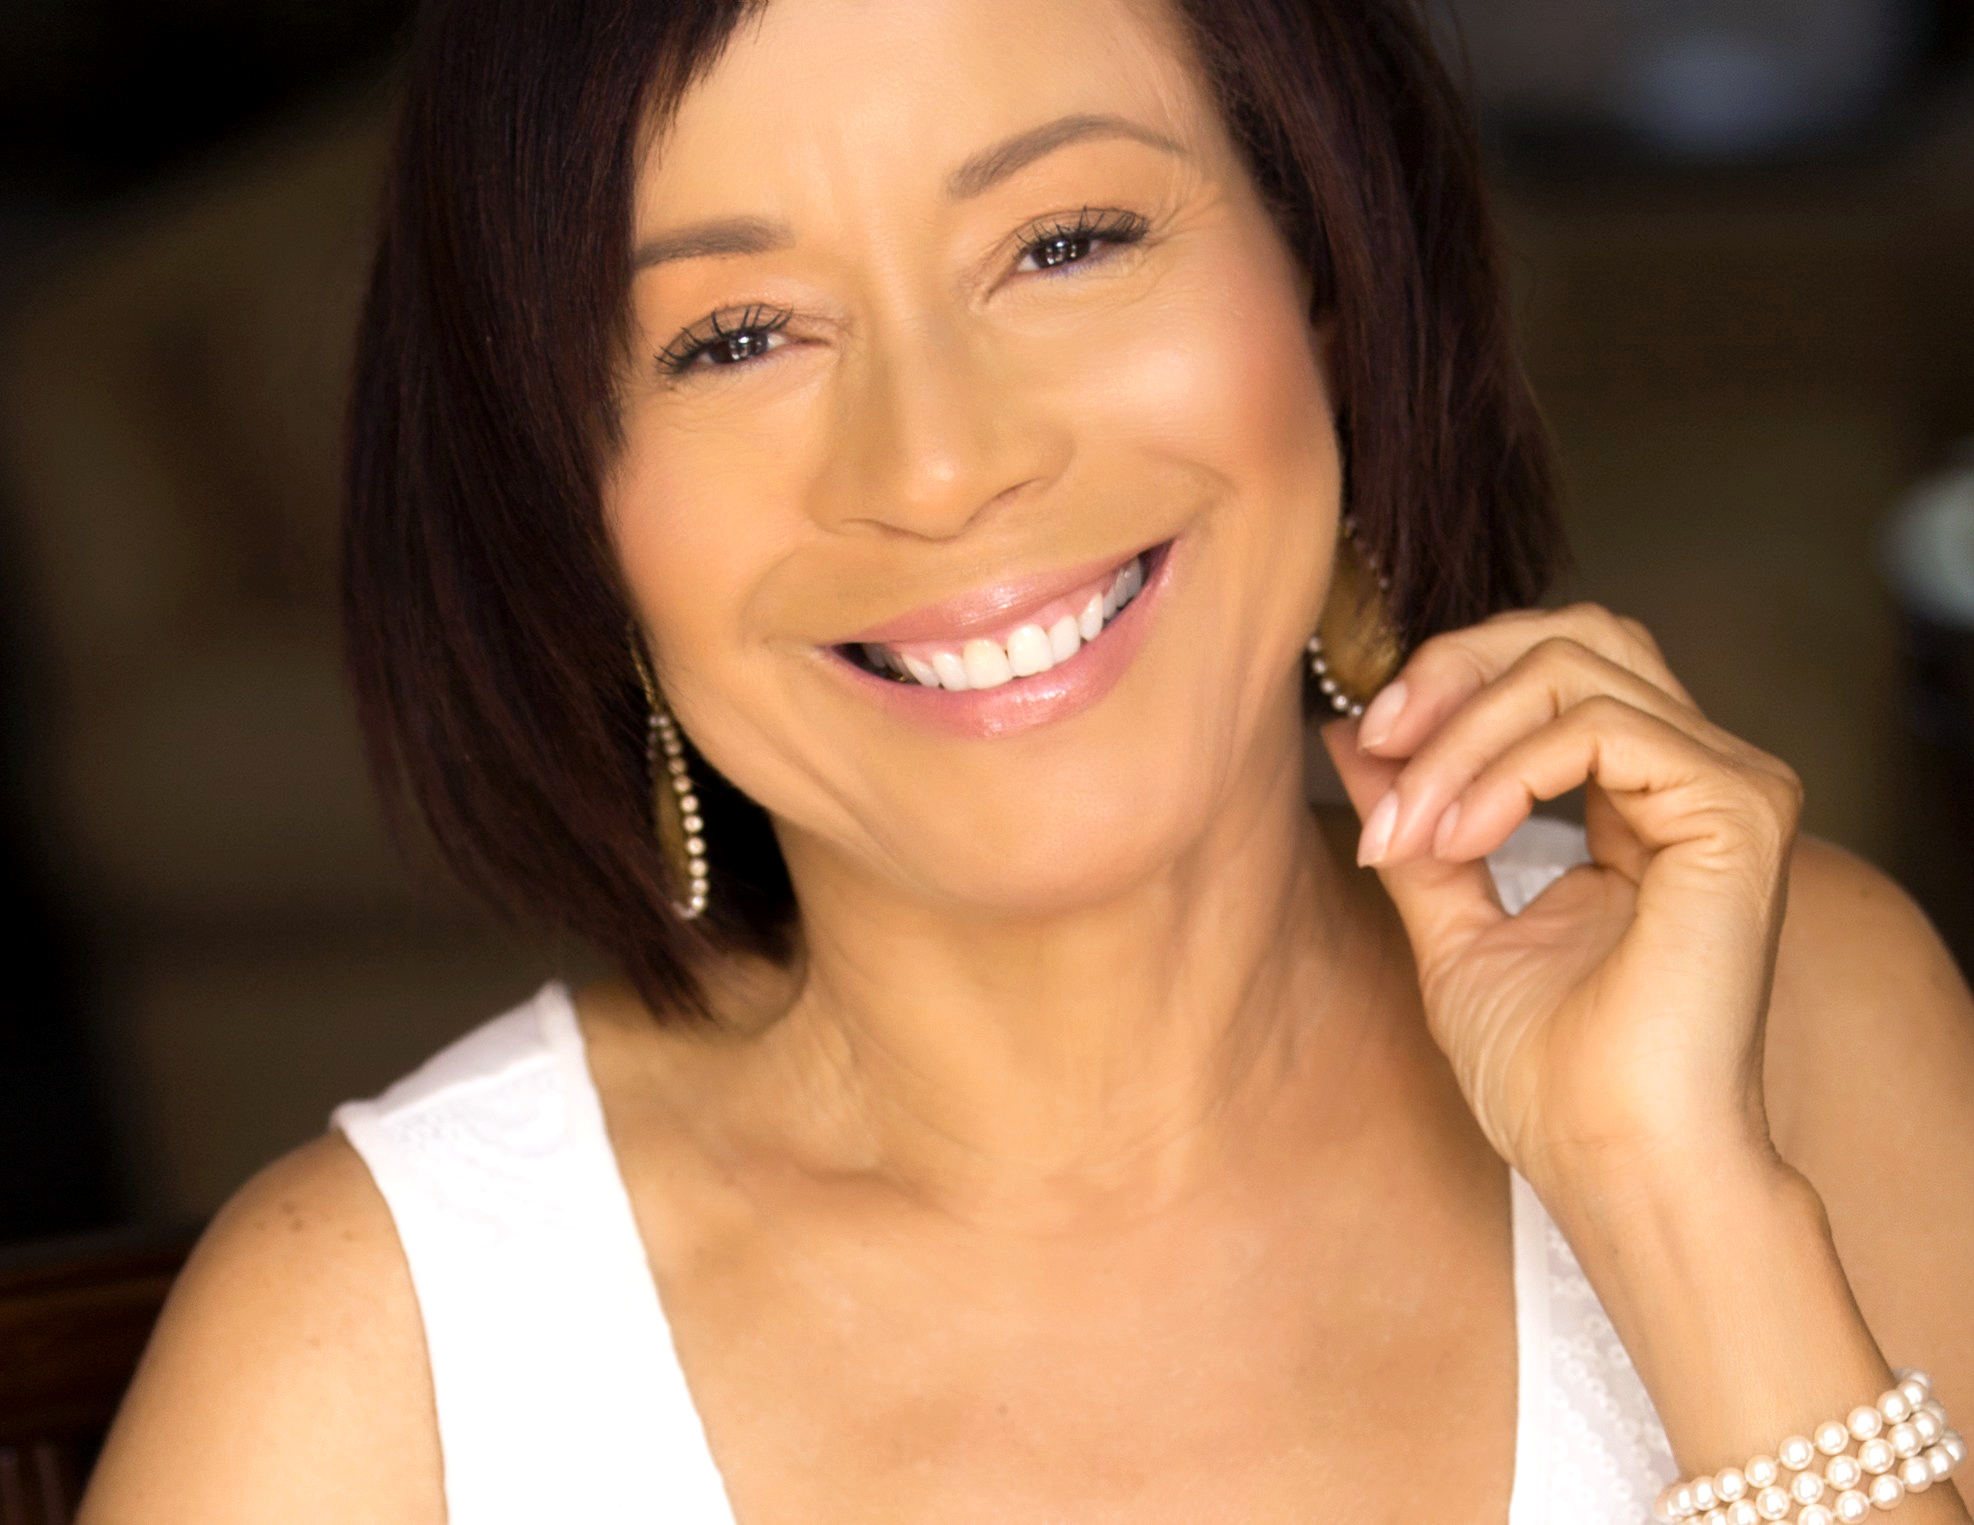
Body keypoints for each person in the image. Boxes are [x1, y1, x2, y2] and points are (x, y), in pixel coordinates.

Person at [79, 0, 1974, 1520]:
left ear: (1325, 285)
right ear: (572, 513)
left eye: (1063, 243)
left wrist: (1679, 1203)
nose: (936, 462)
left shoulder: (1789, 1027)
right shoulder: (371, 1366)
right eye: (735, 337)